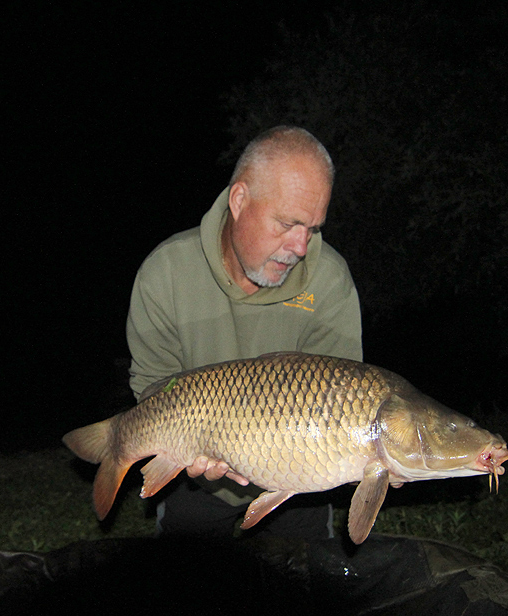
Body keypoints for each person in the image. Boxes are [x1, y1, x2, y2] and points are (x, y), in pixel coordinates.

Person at [126, 126, 363, 540]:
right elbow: (152, 387)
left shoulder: (329, 283)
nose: (301, 246)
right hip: (196, 480)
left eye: (312, 227)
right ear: (239, 200)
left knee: (301, 595)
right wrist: (186, 447)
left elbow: (346, 403)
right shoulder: (165, 274)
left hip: (300, 480)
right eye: (288, 223)